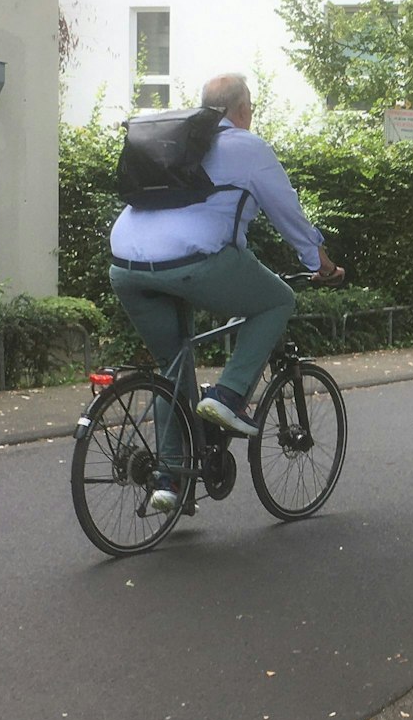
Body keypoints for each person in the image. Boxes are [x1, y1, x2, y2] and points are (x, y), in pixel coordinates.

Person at [108, 73, 341, 510]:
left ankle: (171, 483)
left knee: (172, 368)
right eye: (250, 109)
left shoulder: (173, 143)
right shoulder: (246, 147)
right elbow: (286, 213)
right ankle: (228, 395)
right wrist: (320, 263)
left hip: (125, 265)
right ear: (241, 110)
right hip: (192, 264)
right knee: (277, 300)